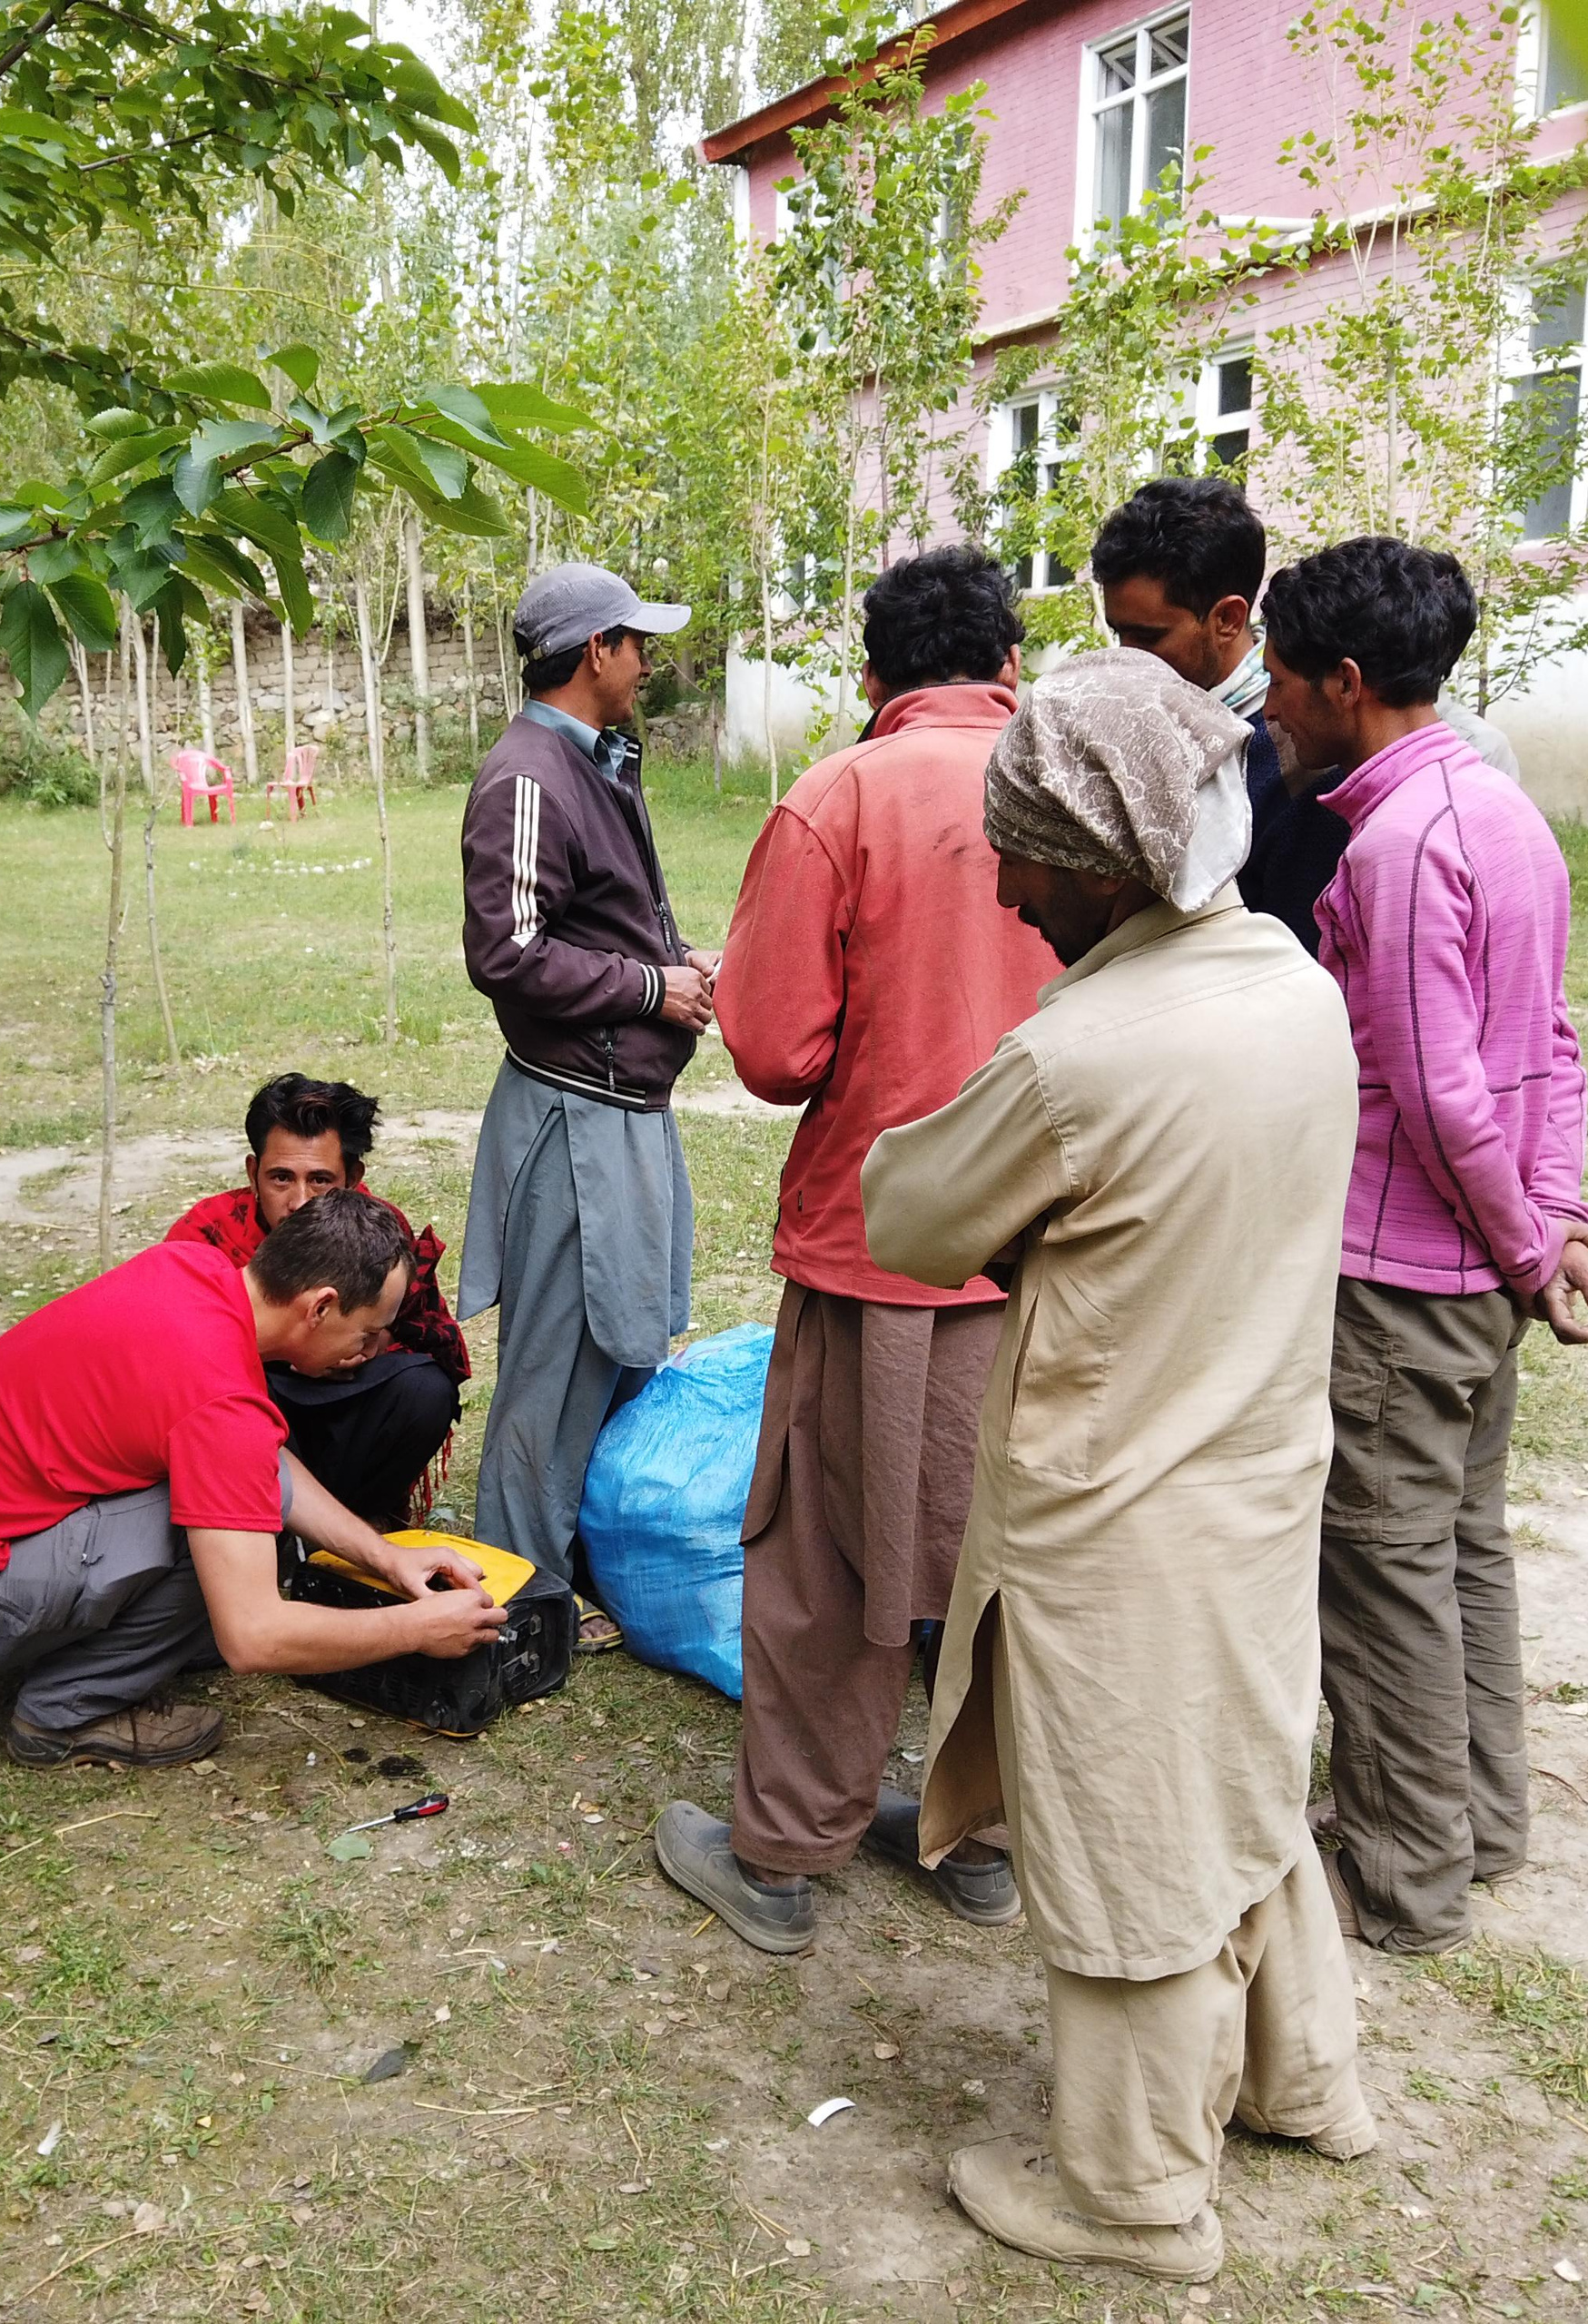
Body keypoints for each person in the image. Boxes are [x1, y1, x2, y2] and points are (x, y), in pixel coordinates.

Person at [860, 648, 1376, 2283]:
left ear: (1097, 859)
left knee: (1129, 1836)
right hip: (1258, 1472)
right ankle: (1305, 2083)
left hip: (1121, 1516)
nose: (1003, 889)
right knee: (1240, 1780)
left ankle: (1134, 2195)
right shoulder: (1288, 981)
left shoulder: (1077, 1061)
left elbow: (912, 1214)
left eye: (1018, 852)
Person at [654, 547, 1054, 1952]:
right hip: (1059, 1257)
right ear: (1009, 664)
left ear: (874, 675)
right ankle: (986, 1840)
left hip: (885, 1248)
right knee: (1004, 1562)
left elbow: (771, 1048)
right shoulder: (1086, 783)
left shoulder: (842, 797)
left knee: (828, 1567)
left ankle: (779, 1858)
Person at [1259, 537, 1588, 1956]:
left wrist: (1535, 1247)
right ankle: (1481, 1817)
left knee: (1386, 1572)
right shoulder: (1503, 812)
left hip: (1404, 1279)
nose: (1270, 701)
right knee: (1465, 1550)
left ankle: (1404, 1875)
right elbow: (1557, 1045)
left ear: (1346, 683)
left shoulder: (1400, 846)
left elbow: (1442, 1086)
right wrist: (1559, 1218)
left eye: (1284, 675)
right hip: (1475, 1275)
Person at [0, 1190, 506, 1770]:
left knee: (234, 1509)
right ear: (318, 1306)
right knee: (233, 1543)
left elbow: (262, 1459)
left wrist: (384, 1557)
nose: (372, 1349)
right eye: (368, 1332)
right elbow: (254, 1637)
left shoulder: (194, 1270)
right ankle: (64, 1714)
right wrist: (416, 1630)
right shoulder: (220, 1406)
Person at [458, 562, 718, 1620]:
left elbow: (601, 919)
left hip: (620, 1105)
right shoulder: (525, 773)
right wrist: (655, 986)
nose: (648, 660)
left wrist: (680, 961)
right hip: (573, 1112)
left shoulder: (595, 759)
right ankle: (516, 1598)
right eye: (636, 641)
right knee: (552, 1365)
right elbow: (505, 953)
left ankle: (568, 1558)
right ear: (593, 653)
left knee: (618, 1341)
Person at [1093, 476, 1524, 954]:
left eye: (1149, 637)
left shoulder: (1322, 748)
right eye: (1118, 634)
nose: (1129, 658)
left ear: (1229, 618)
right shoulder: (1141, 724)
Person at [166, 1074, 469, 1531]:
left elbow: (427, 1333)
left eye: (322, 1180)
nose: (299, 1202)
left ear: (353, 1177)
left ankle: (363, 1520)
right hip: (255, 1394)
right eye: (281, 1179)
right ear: (253, 1173)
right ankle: (260, 1523)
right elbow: (176, 1360)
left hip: (348, 1390)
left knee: (424, 1391)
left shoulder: (380, 1231)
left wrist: (367, 1342)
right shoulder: (206, 1235)